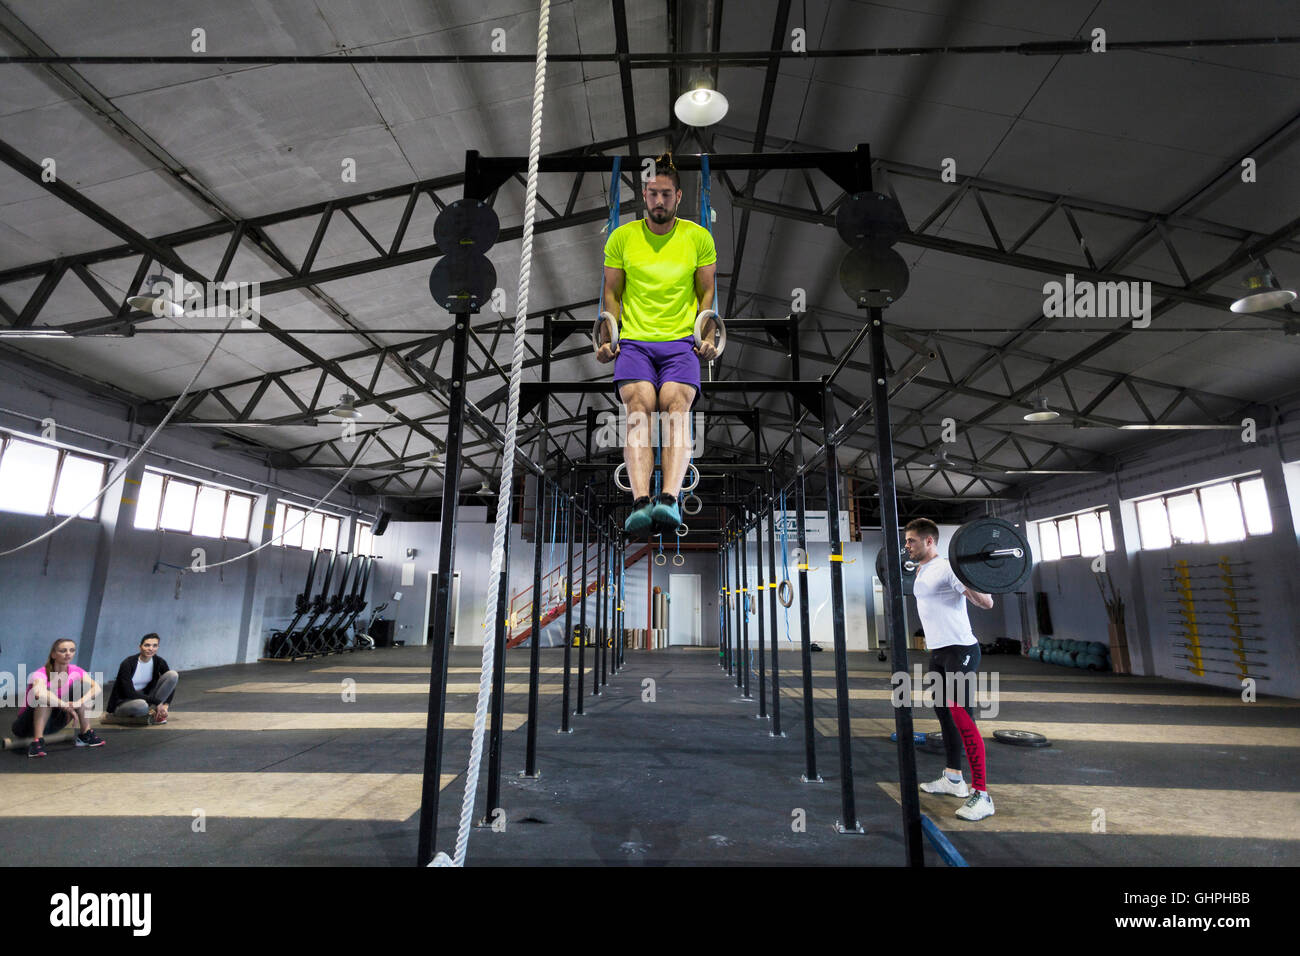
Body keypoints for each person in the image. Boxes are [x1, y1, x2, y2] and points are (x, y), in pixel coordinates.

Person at [595, 152, 720, 535]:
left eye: (666, 194)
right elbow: (612, 293)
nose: (659, 201)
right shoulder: (622, 238)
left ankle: (668, 499)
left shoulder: (698, 237)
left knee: (677, 409)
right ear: (644, 197)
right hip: (634, 343)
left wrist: (709, 334)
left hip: (681, 343)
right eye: (652, 194)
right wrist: (607, 336)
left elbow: (707, 290)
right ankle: (639, 502)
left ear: (678, 197)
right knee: (637, 411)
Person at [904, 518, 996, 821]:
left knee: (961, 716)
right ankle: (954, 778)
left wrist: (968, 580)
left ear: (930, 541)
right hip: (939, 652)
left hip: (961, 651)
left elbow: (986, 603)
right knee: (943, 713)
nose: (907, 546)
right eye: (906, 541)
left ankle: (982, 794)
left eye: (912, 541)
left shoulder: (947, 568)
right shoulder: (922, 570)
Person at [13, 638, 105, 757]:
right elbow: (39, 693)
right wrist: (65, 705)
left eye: (72, 650)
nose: (68, 653)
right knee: (45, 698)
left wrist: (78, 702)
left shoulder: (76, 670)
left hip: (53, 724)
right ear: (53, 654)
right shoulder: (41, 673)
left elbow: (96, 687)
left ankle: (85, 734)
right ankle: (37, 742)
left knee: (85, 691)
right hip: (26, 725)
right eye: (63, 650)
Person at [107, 633, 179, 724]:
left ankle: (153, 713)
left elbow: (171, 684)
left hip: (147, 700)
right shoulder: (128, 663)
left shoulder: (159, 662)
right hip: (126, 702)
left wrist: (165, 705)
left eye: (155, 646)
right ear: (140, 647)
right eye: (147, 645)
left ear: (158, 648)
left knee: (173, 675)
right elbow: (129, 693)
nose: (151, 649)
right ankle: (148, 714)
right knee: (141, 705)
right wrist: (157, 702)